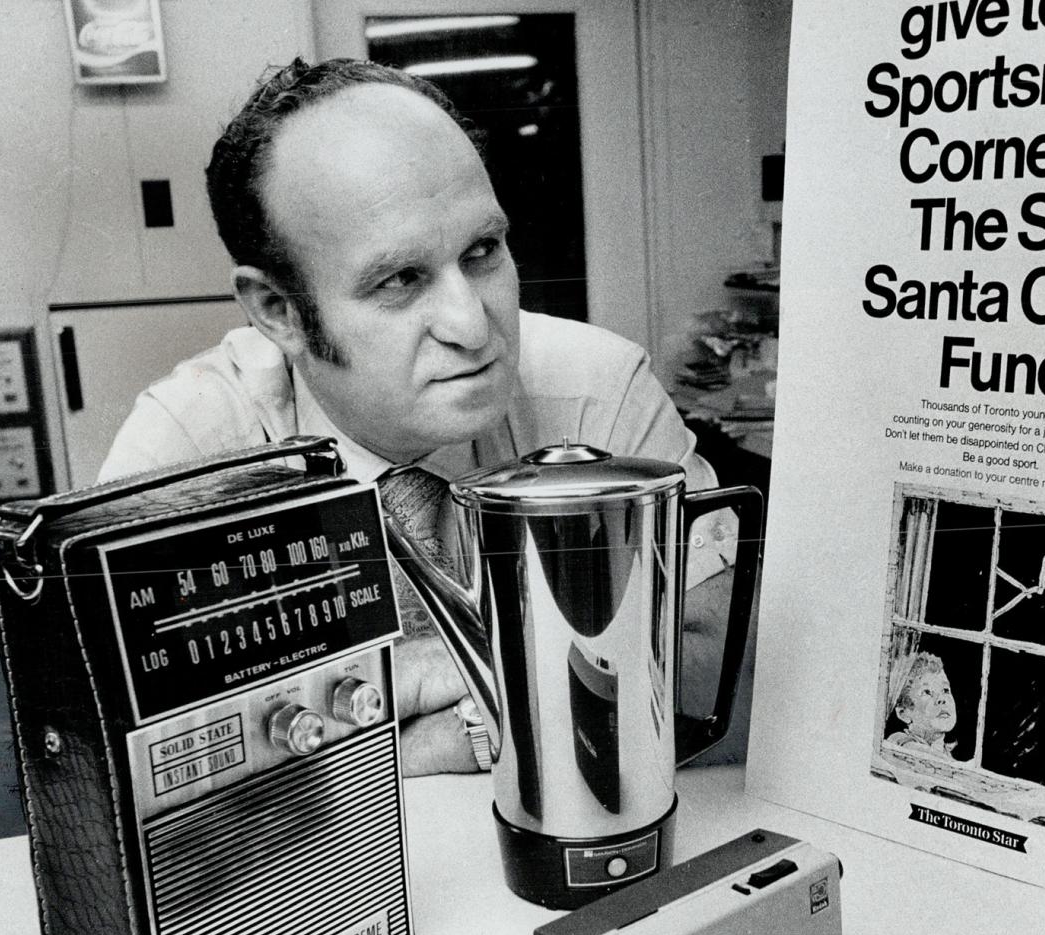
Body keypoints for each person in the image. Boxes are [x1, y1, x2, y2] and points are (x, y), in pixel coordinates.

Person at [98, 57, 740, 776]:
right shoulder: (187, 453)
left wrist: (452, 716)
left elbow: (714, 671)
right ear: (277, 310)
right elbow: (130, 759)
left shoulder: (596, 390)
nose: (473, 325)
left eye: (482, 251)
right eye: (400, 280)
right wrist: (545, 678)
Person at [884, 652, 959, 757]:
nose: (941, 699)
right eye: (927, 692)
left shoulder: (946, 752)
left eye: (945, 690)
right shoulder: (900, 742)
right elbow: (930, 759)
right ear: (904, 713)